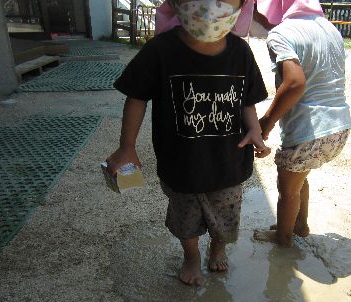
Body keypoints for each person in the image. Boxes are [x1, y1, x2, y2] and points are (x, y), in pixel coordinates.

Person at [106, 0, 270, 285]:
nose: (210, 7)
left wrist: (255, 129)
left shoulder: (240, 51)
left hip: (229, 162)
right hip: (181, 164)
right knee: (185, 221)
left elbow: (247, 99)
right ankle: (191, 257)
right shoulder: (159, 50)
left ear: (243, 5)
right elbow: (136, 97)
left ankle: (217, 248)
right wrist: (127, 146)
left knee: (226, 217)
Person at [252, 0, 351, 247]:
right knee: (299, 175)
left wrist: (266, 122)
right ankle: (300, 225)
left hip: (308, 131)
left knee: (287, 189)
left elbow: (294, 83)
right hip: (339, 127)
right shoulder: (330, 28)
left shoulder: (281, 34)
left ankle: (283, 237)